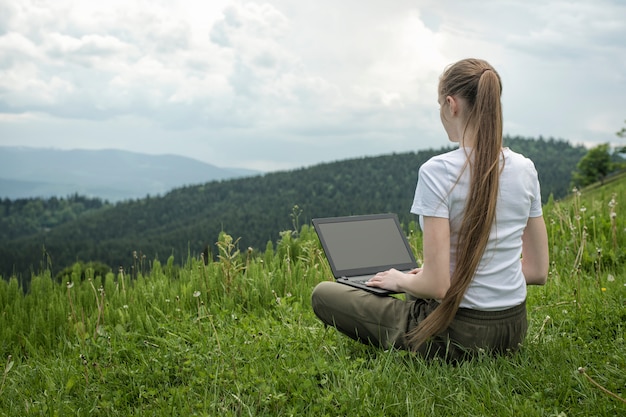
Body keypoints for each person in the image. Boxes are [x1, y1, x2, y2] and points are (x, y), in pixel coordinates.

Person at [311, 58, 549, 361]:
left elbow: (437, 286)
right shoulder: (525, 168)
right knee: (415, 284)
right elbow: (537, 271)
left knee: (324, 294)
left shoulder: (439, 171)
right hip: (512, 329)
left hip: (459, 335)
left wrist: (400, 280)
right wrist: (451, 277)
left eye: (440, 105)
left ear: (451, 105)